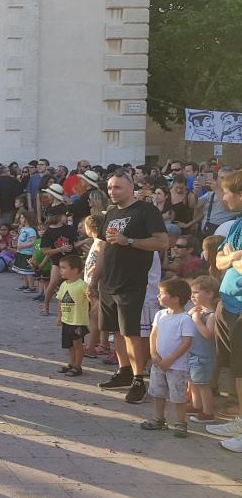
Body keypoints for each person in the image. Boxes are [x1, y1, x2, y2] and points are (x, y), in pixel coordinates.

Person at [94, 169, 169, 405]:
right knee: (115, 329)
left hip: (133, 281)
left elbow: (162, 242)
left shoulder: (147, 210)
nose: (112, 192)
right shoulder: (111, 213)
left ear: (130, 187)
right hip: (109, 281)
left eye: (117, 187)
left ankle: (139, 379)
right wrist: (95, 278)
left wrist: (131, 241)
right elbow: (104, 248)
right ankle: (124, 370)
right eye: (109, 188)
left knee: (132, 332)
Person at [209, 169, 242, 452]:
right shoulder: (235, 224)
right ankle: (239, 419)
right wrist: (233, 256)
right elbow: (219, 260)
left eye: (227, 193)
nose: (223, 198)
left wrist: (230, 258)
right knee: (233, 366)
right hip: (228, 303)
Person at [140, 278, 195, 438]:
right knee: (158, 392)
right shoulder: (160, 314)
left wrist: (170, 360)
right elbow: (153, 335)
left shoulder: (185, 319)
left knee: (178, 395)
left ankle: (180, 423)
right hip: (158, 364)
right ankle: (158, 418)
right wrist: (154, 354)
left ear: (175, 299)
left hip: (176, 366)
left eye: (162, 294)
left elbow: (186, 343)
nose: (158, 296)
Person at [188, 275, 219, 423]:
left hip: (204, 356)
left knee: (203, 385)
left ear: (209, 293)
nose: (192, 295)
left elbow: (208, 334)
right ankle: (196, 405)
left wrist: (196, 319)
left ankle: (208, 412)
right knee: (193, 382)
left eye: (195, 292)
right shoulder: (198, 311)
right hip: (193, 353)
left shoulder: (211, 315)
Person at [81, 214, 111, 359]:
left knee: (95, 314)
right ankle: (103, 344)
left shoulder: (100, 242)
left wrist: (92, 279)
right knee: (100, 315)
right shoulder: (96, 241)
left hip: (97, 283)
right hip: (93, 282)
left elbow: (100, 261)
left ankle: (91, 347)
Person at [55, 255, 89, 377]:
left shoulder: (83, 285)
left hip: (77, 321)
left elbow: (93, 299)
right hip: (66, 320)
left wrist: (93, 310)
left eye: (64, 268)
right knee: (69, 345)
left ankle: (78, 366)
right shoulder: (64, 284)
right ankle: (71, 363)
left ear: (74, 270)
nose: (61, 271)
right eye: (60, 268)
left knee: (77, 345)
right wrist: (59, 316)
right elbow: (60, 300)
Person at [40, 208, 78, 317]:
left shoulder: (69, 229)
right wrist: (61, 249)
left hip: (72, 259)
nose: (66, 217)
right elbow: (45, 251)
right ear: (59, 217)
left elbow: (75, 243)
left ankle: (74, 308)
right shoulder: (48, 233)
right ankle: (45, 305)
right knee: (53, 282)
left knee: (75, 284)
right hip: (58, 261)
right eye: (64, 215)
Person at [197, 167, 239, 239]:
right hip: (206, 230)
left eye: (226, 178)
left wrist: (217, 189)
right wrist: (195, 192)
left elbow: (228, 207)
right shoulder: (211, 193)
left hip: (222, 232)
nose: (222, 180)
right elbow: (195, 205)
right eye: (220, 177)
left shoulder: (235, 194)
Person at [12, 213, 38, 291]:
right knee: (22, 270)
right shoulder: (23, 229)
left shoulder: (31, 230)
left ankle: (31, 286)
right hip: (21, 252)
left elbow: (34, 242)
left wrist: (23, 246)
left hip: (27, 253)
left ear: (27, 219)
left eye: (22, 218)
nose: (21, 220)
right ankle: (26, 285)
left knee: (28, 271)